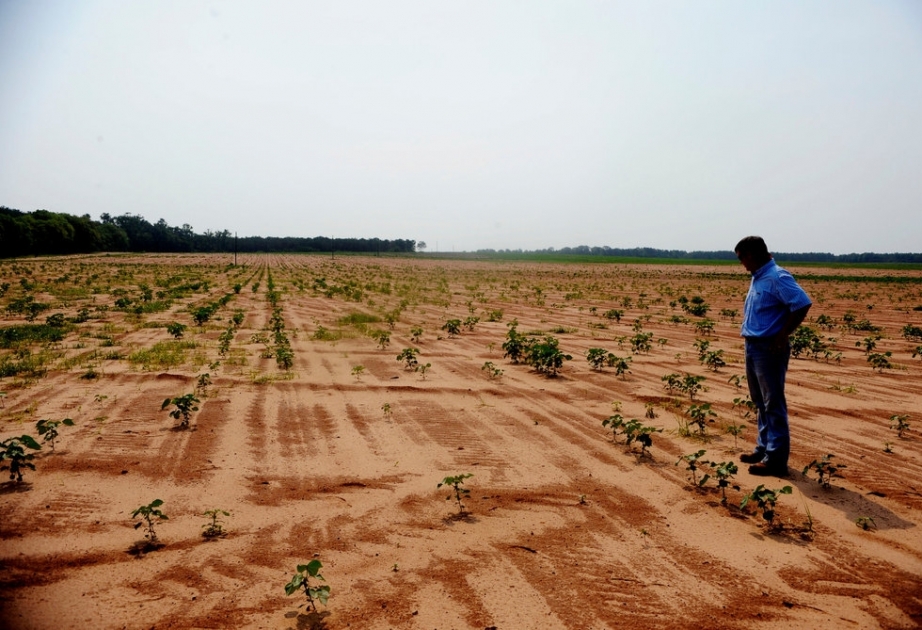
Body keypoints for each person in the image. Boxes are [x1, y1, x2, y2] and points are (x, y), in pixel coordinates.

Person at [735, 236, 812, 477]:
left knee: (773, 402)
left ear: (753, 255)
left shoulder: (777, 277)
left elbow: (801, 303)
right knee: (760, 400)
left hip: (769, 348)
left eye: (742, 259)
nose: (742, 264)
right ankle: (764, 448)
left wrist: (782, 335)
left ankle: (776, 459)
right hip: (753, 346)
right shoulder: (758, 278)